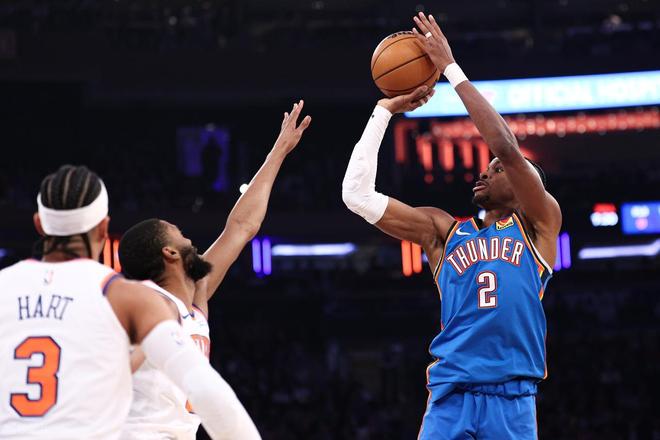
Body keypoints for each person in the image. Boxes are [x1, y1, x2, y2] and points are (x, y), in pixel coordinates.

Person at [342, 12, 562, 440]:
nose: (485, 171)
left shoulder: (539, 225)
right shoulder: (443, 231)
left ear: (525, 188)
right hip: (450, 395)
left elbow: (506, 147)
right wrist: (383, 111)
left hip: (513, 397)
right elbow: (356, 196)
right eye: (487, 167)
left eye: (496, 170)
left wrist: (450, 68)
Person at [0, 165, 260, 440]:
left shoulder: (7, 285)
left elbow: (241, 228)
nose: (189, 239)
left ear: (39, 224)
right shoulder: (123, 296)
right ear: (103, 228)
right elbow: (206, 389)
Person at [117, 101, 311, 439]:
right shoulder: (150, 302)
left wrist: (278, 151)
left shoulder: (194, 297)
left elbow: (242, 227)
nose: (188, 237)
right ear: (169, 253)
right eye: (178, 232)